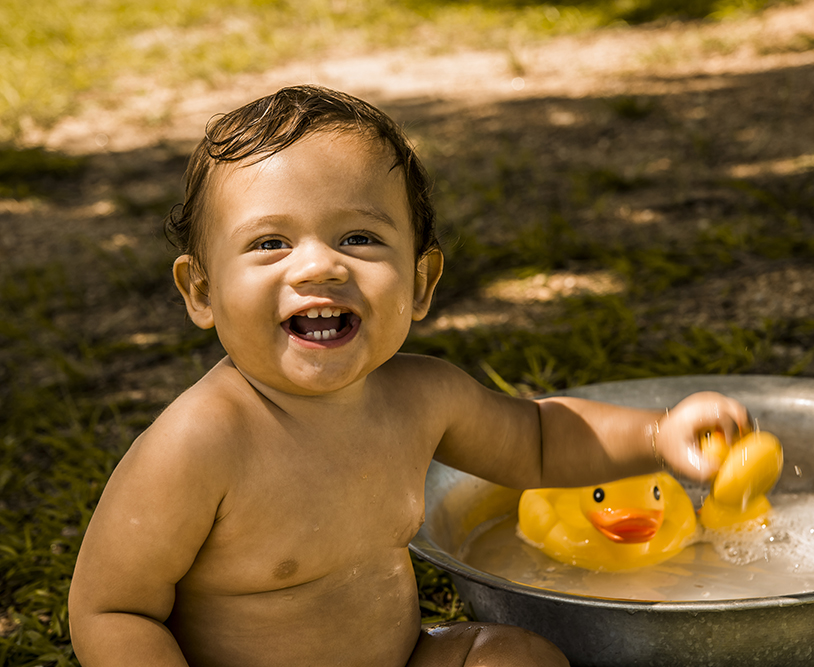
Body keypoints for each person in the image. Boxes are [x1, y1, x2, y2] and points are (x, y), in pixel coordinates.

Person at [67, 85, 749, 667]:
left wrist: (660, 435)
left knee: (514, 658)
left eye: (358, 238)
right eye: (270, 242)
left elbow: (539, 439)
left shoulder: (422, 397)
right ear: (202, 291)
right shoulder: (200, 442)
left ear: (420, 282)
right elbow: (112, 607)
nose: (317, 267)